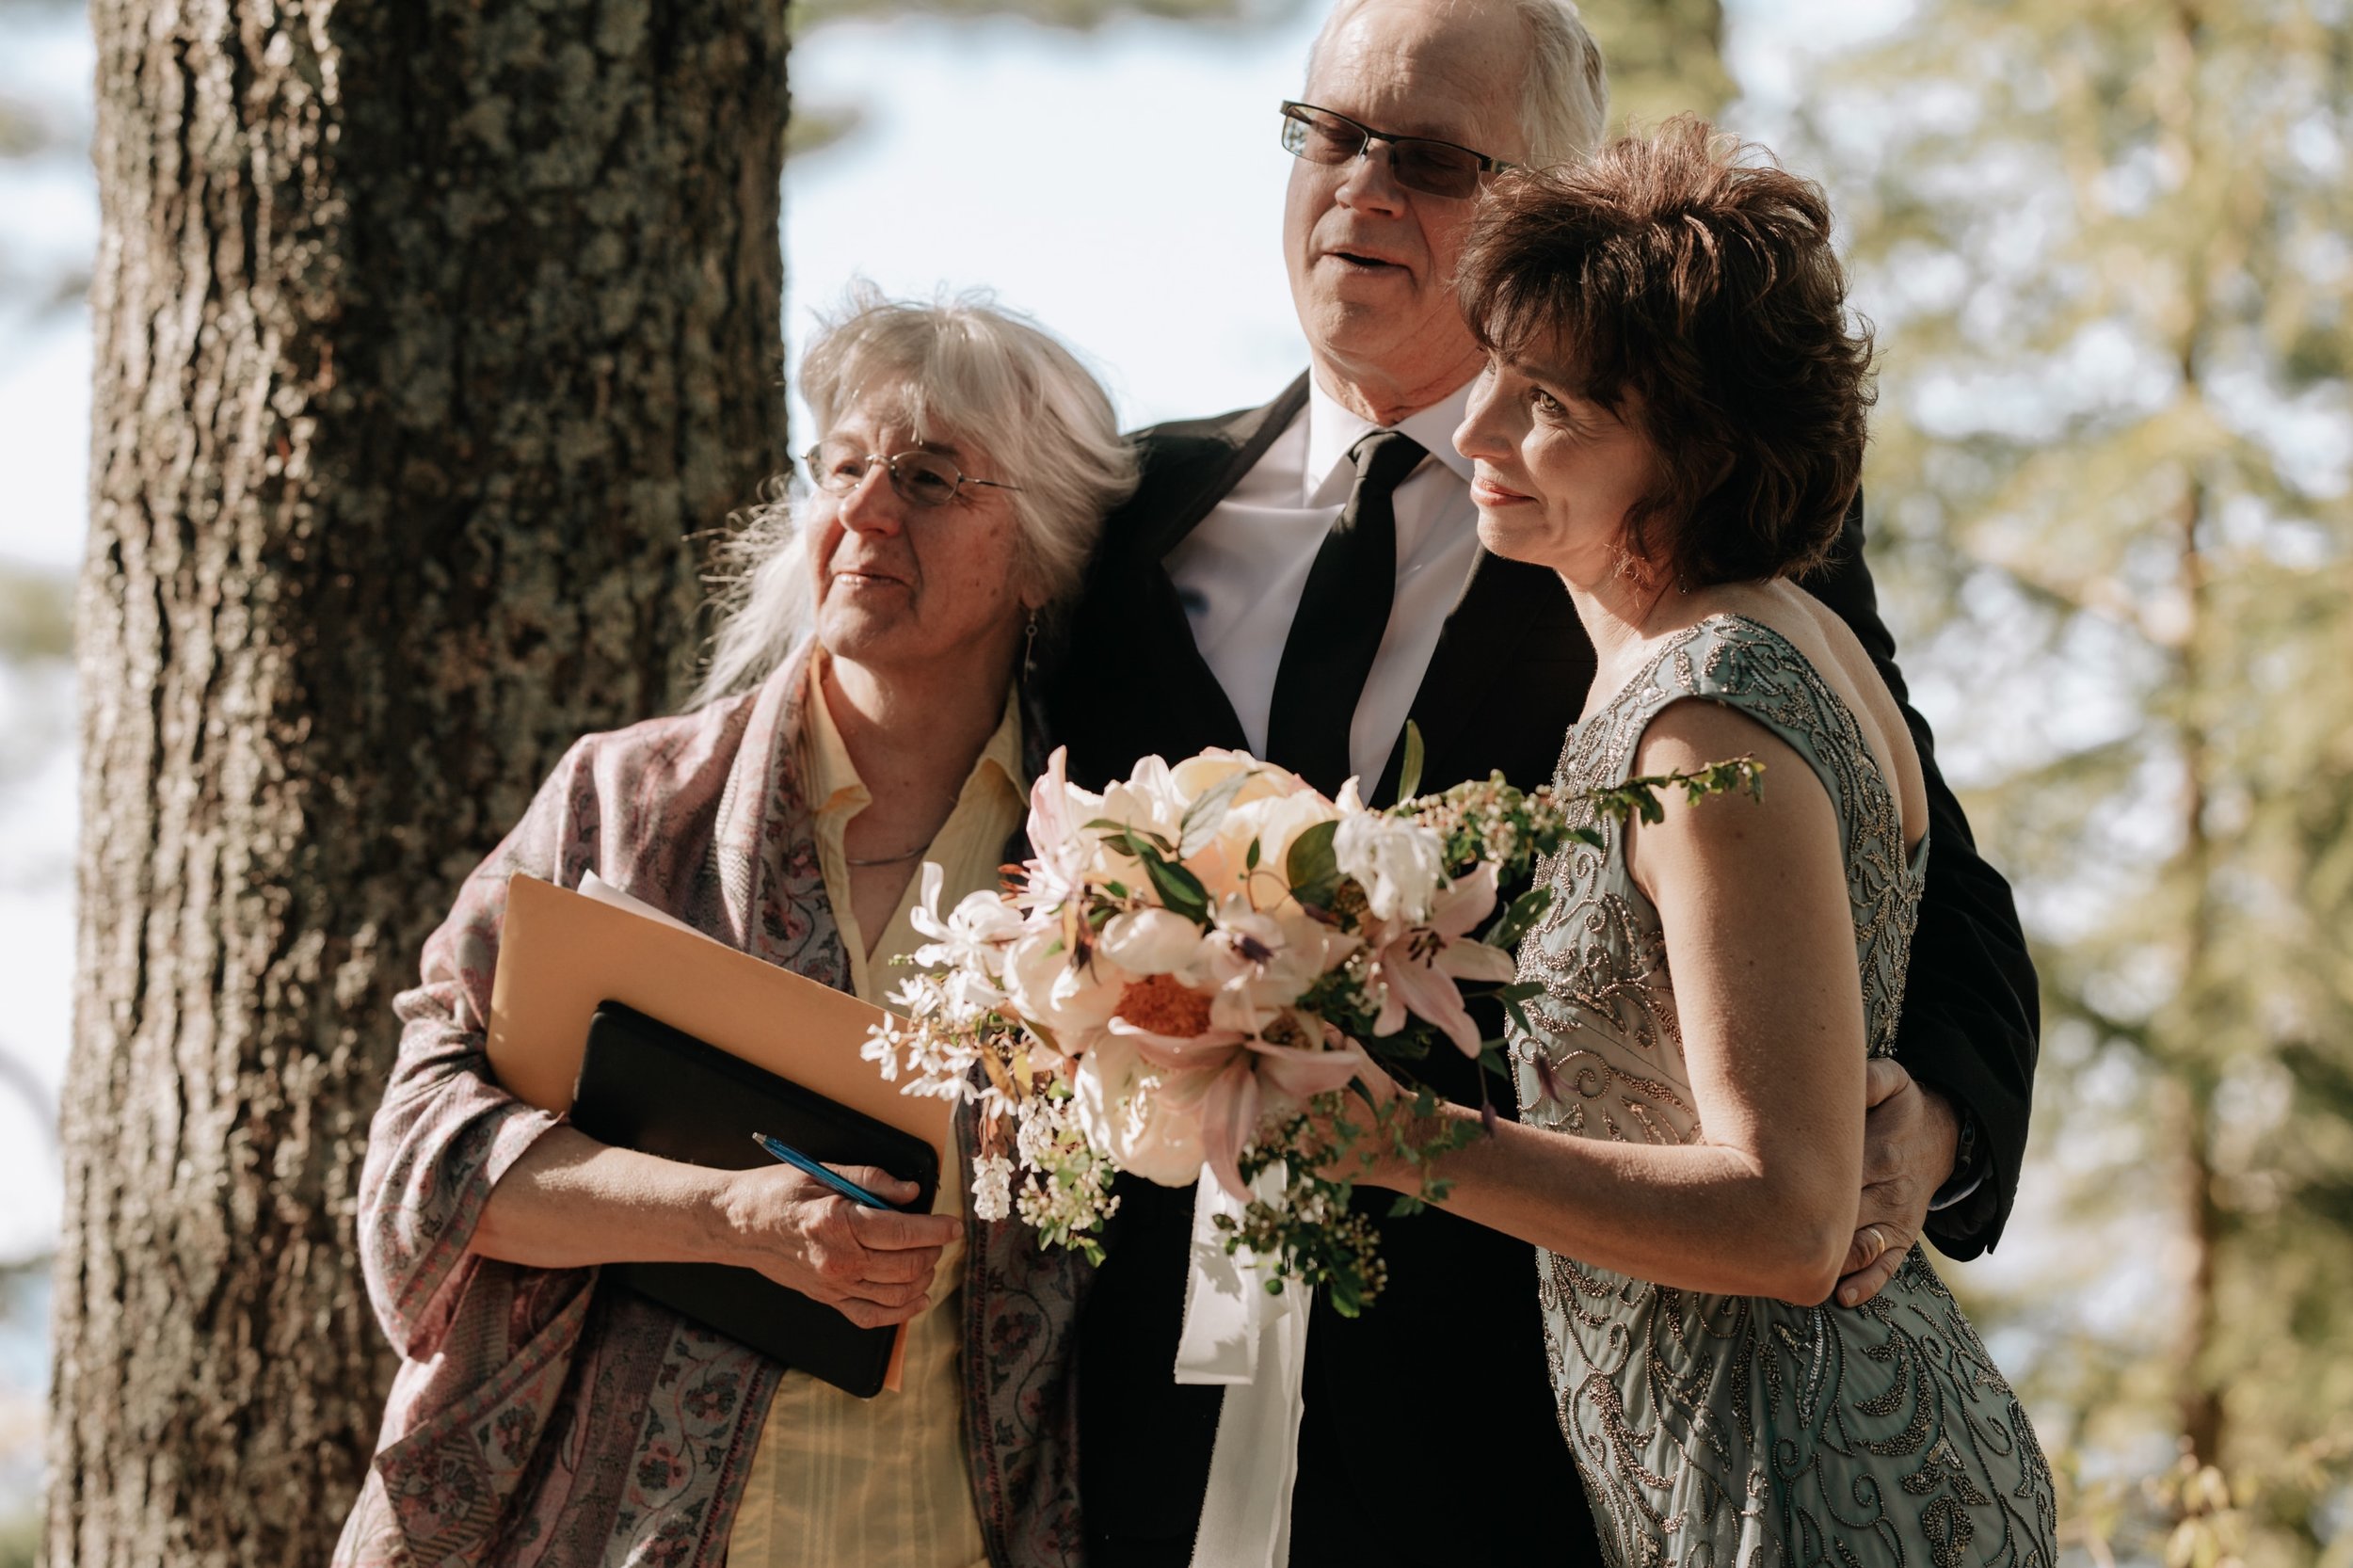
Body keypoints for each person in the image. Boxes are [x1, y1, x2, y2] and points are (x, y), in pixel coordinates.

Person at [1040, 1, 2040, 1562]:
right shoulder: (1122, 513)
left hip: (1557, 1460)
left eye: (1429, 155)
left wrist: (1931, 1128)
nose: (1362, 185)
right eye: (1329, 133)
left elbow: (1928, 892)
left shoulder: (1692, 548)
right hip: (1160, 1422)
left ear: (1545, 202)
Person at [335, 288, 1135, 1568]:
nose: (868, 510)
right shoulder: (621, 805)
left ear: (1038, 549)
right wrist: (731, 1216)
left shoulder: (1108, 868)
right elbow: (425, 1171)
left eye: (929, 478)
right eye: (844, 467)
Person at [1353, 120, 2057, 1563]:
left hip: (1803, 1489)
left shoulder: (1705, 713)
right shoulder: (1748, 644)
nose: (1480, 434)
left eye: (1547, 403)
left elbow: (1792, 1216)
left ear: (1693, 452)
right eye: (1495, 374)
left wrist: (1399, 1144)